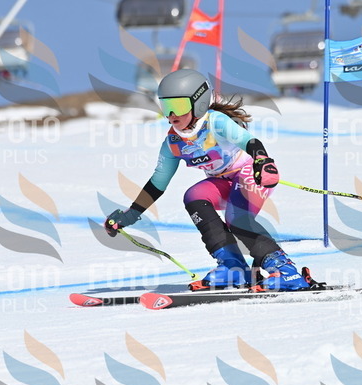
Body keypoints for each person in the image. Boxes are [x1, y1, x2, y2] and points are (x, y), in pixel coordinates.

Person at [104, 69, 310, 292]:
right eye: (166, 106)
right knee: (193, 196)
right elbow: (157, 183)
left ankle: (286, 271)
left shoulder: (216, 122)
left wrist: (263, 160)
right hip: (223, 182)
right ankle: (233, 267)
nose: (171, 114)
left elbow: (248, 141)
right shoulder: (173, 143)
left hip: (250, 173)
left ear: (199, 103)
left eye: (178, 106)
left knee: (236, 218)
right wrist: (131, 214)